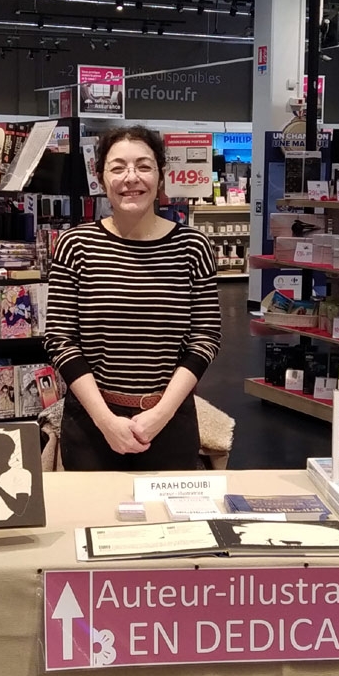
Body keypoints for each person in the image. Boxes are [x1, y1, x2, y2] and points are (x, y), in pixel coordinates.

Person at [43, 126, 221, 471]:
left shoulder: (192, 248)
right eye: (118, 167)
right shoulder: (75, 245)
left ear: (160, 175)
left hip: (170, 423)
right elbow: (60, 339)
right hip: (92, 425)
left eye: (143, 166)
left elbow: (205, 338)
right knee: (92, 506)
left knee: (168, 509)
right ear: (100, 178)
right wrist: (106, 421)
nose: (131, 178)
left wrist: (161, 414)